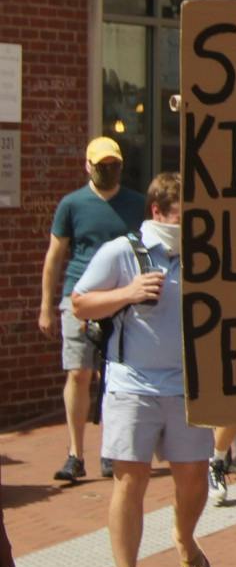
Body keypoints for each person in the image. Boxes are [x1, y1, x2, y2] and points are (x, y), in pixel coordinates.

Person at [68, 173, 209, 567]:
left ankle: (184, 537)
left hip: (187, 384)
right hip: (132, 382)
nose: (188, 227)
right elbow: (79, 302)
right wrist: (128, 293)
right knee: (132, 479)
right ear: (157, 212)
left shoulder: (203, 254)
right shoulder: (121, 252)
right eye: (181, 217)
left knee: (194, 475)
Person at [43, 135, 147, 483]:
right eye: (102, 165)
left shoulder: (136, 203)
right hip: (80, 296)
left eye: (113, 165)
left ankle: (110, 450)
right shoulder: (72, 204)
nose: (108, 170)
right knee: (78, 372)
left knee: (114, 375)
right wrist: (47, 306)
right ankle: (75, 452)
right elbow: (55, 256)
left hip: (124, 298)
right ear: (88, 166)